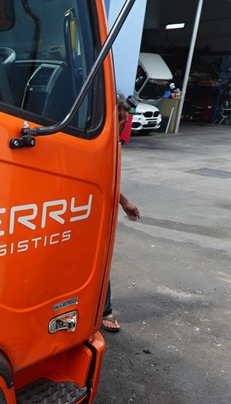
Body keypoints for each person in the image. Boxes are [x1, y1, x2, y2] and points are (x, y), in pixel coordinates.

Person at [102, 99, 141, 333]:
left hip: (96, 214)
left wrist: (124, 202)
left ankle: (105, 310)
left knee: (100, 261)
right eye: (122, 123)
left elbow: (109, 182)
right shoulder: (93, 144)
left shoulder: (112, 147)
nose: (124, 128)